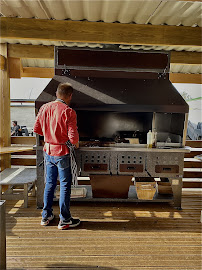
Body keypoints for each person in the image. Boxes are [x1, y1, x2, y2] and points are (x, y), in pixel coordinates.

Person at [34, 82, 80, 230]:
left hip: (48, 151)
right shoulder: (69, 111)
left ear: (56, 93)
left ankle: (46, 216)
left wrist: (50, 134)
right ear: (70, 96)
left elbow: (37, 129)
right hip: (62, 152)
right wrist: (75, 144)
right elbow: (73, 137)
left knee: (50, 183)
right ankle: (65, 220)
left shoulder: (44, 108)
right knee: (65, 185)